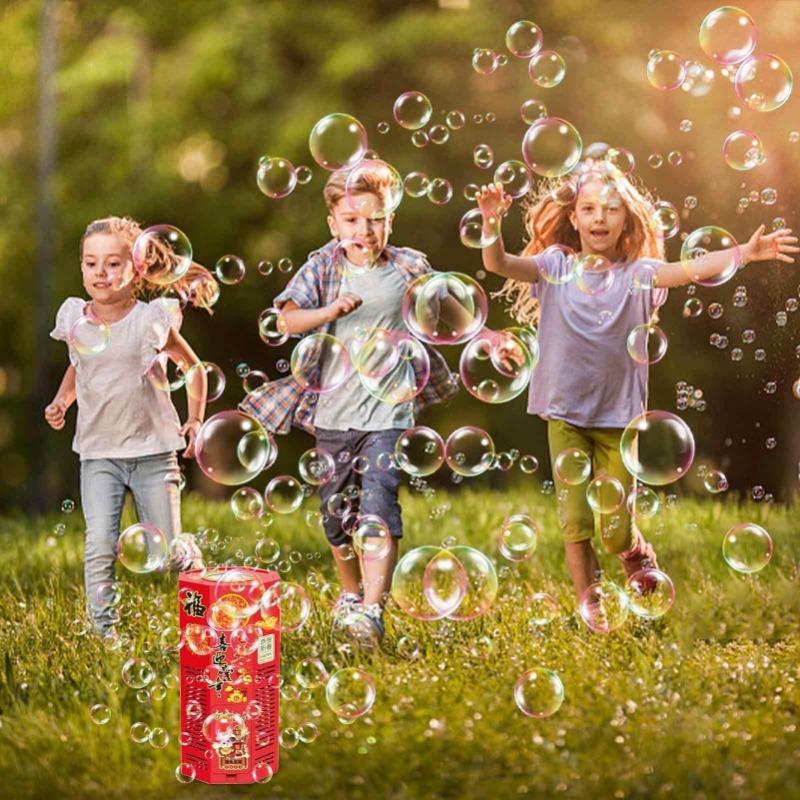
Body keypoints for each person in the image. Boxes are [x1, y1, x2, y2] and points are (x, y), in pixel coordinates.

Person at [477, 160, 797, 610]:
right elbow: (499, 263)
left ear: (626, 217)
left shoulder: (638, 275)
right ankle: (593, 609)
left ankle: (633, 551)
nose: (599, 218)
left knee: (613, 531)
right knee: (575, 523)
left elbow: (690, 269)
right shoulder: (553, 266)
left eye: (610, 209)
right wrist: (492, 221)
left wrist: (746, 250)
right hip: (564, 413)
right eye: (588, 209)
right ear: (573, 218)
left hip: (617, 420)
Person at [241, 166, 458, 646]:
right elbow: (288, 319)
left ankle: (372, 613)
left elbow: (452, 315)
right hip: (333, 413)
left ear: (390, 222)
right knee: (336, 519)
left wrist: (491, 338)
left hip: (390, 410)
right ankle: (351, 595)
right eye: (353, 220)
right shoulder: (323, 266)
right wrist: (329, 311)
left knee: (379, 506)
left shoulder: (410, 267)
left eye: (376, 220)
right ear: (333, 224)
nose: (365, 230)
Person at [45, 216, 217, 636]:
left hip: (153, 453)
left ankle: (197, 613)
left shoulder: (150, 319)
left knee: (169, 551)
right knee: (100, 544)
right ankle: (105, 632)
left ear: (137, 268)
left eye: (112, 264)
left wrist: (195, 420)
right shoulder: (73, 317)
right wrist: (61, 400)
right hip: (99, 453)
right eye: (91, 263)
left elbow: (193, 368)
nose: (100, 273)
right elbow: (78, 364)